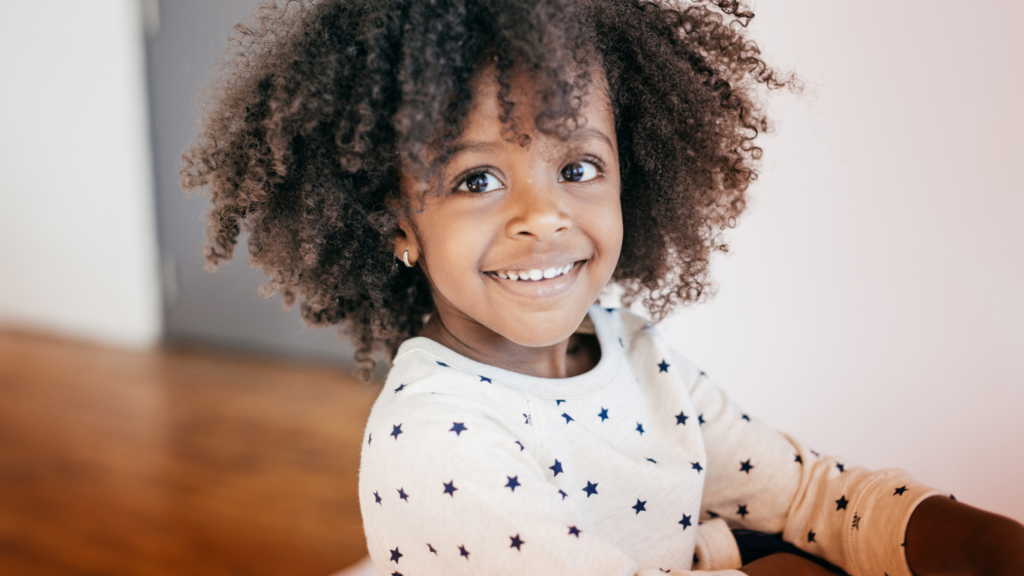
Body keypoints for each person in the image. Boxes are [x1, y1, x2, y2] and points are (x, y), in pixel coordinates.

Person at [180, 0, 1024, 574]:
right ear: (399, 222)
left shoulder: (632, 352)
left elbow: (803, 490)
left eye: (577, 167)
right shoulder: (433, 446)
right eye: (477, 180)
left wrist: (936, 532)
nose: (543, 217)